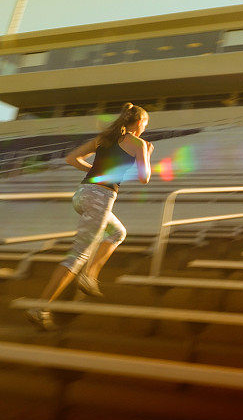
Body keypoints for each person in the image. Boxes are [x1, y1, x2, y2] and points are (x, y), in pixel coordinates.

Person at [26, 103, 153, 330]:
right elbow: (144, 178)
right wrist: (148, 154)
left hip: (82, 195)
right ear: (139, 123)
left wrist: (95, 171)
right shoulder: (139, 143)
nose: (144, 129)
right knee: (77, 256)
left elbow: (71, 159)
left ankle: (89, 276)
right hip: (101, 198)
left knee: (117, 232)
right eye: (145, 125)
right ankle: (40, 308)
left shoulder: (105, 138)